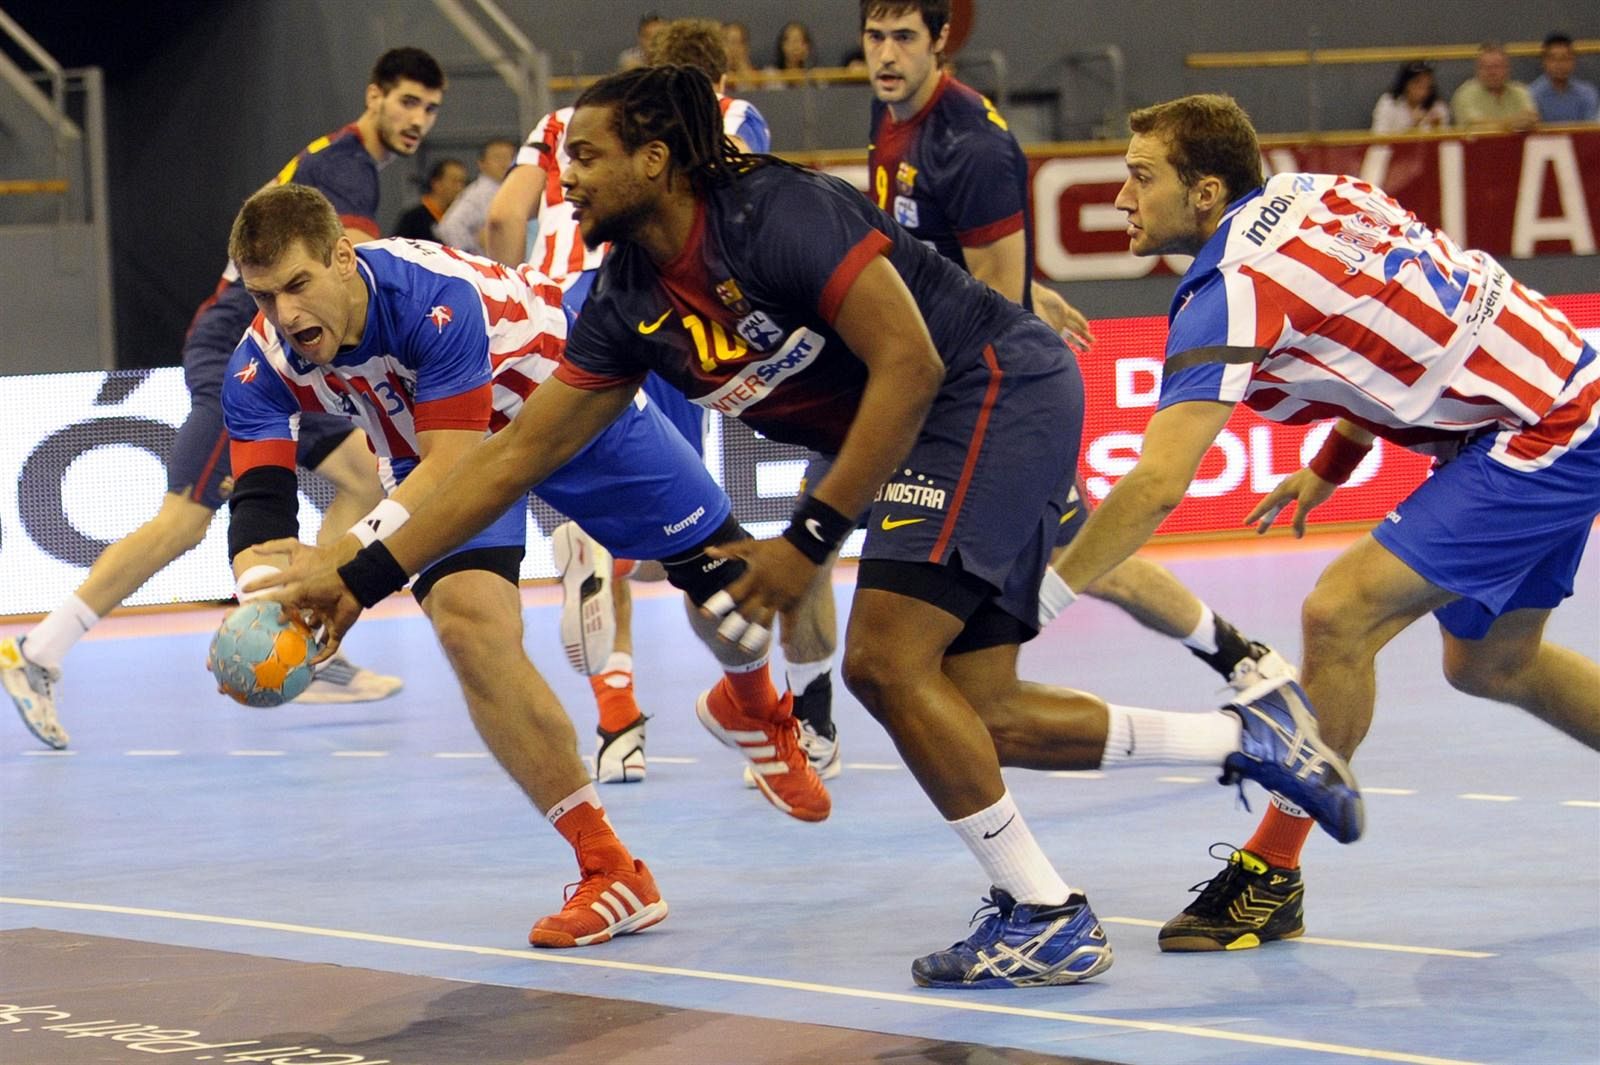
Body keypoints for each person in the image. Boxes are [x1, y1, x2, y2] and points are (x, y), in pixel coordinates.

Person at [259, 67, 1363, 989]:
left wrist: (807, 542)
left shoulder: (776, 213)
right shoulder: (624, 298)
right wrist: (355, 583)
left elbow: (911, 363)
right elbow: (511, 457)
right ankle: (1255, 741)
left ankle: (1044, 913)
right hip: (941, 416)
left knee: (883, 662)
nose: (565, 177)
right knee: (980, 715)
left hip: (987, 390)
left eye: (584, 157)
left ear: (655, 158)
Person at [1047, 92, 1600, 954]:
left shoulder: (1229, 288)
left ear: (1204, 192)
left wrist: (1046, 596)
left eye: (1139, 176)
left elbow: (1157, 482)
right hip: (1552, 384)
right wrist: (1329, 467)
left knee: (1339, 613)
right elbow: (1391, 337)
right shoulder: (1315, 194)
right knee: (1493, 662)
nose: (1119, 197)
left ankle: (1270, 877)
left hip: (1542, 428)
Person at [223, 185, 834, 940]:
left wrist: (348, 573)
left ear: (343, 259)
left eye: (297, 284)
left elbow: (459, 463)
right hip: (434, 454)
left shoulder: (429, 298)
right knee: (469, 629)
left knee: (733, 601)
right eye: (263, 295)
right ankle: (611, 869)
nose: (284, 314)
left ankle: (751, 702)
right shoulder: (260, 359)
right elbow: (258, 513)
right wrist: (265, 607)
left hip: (566, 401)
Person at [0, 47, 444, 749]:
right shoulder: (345, 164)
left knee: (360, 477)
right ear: (374, 96)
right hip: (250, 356)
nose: (419, 119)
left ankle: (303, 626)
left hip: (298, 357)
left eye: (431, 108)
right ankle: (38, 654)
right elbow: (362, 271)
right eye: (408, 102)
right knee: (182, 521)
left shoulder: (338, 161)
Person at [862, 0, 1289, 692]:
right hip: (939, 375)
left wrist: (1009, 306)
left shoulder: (970, 141)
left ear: (941, 41)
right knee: (1082, 555)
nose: (885, 55)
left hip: (982, 400)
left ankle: (1239, 669)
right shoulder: (889, 111)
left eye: (903, 38)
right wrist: (1032, 290)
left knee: (1087, 557)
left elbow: (992, 310)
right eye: (874, 37)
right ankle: (1241, 656)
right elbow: (948, 258)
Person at [483, 18, 831, 790]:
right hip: (654, 305)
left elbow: (504, 218)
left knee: (592, 510)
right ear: (718, 77)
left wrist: (516, 304)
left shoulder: (559, 121)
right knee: (691, 526)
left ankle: (617, 726)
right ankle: (778, 712)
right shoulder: (727, 117)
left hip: (551, 314)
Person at [434, 137, 518, 255]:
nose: (504, 163)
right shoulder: (477, 194)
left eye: (510, 157)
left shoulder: (512, 189)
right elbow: (449, 227)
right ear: (481, 163)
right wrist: (471, 252)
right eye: (498, 157)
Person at [1450, 42, 1538, 131]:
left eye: (1497, 67)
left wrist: (1526, 121)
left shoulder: (1521, 91)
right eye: (1485, 67)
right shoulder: (1465, 94)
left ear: (1508, 69)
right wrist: (1509, 124)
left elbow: (1531, 118)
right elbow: (1474, 127)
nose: (1491, 73)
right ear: (1477, 70)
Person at [1529, 33, 1599, 124]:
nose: (1559, 64)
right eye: (1553, 59)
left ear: (1573, 61)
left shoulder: (1587, 93)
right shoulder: (1531, 94)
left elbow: (1590, 131)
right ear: (1544, 62)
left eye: (1565, 58)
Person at [392, 157, 467, 240]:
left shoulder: (460, 219)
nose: (459, 188)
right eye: (454, 181)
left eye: (462, 182)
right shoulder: (413, 219)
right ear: (436, 183)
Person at [1370, 60, 1451, 133]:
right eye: (1417, 83)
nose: (1422, 90)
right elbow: (1379, 140)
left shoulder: (1438, 106)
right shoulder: (1389, 103)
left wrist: (1438, 129)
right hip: (1395, 148)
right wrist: (1412, 127)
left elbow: (1449, 145)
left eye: (1427, 85)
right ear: (1405, 84)